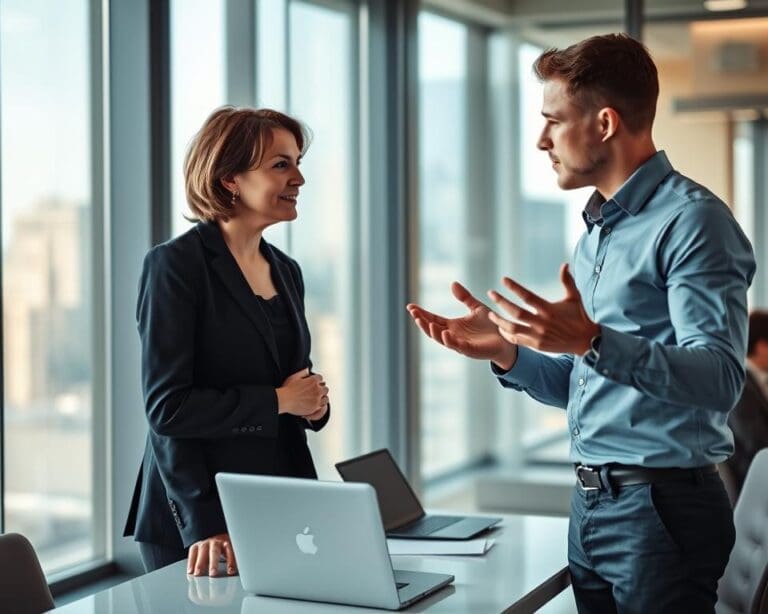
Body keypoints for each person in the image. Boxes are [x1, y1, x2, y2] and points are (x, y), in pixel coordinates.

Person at [407, 34, 755, 613]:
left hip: (660, 510)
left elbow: (720, 378)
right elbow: (588, 383)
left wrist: (590, 339)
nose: (541, 140)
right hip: (593, 505)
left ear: (605, 123)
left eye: (552, 121)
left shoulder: (693, 224)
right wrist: (509, 356)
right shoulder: (599, 230)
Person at [123, 107, 331, 577]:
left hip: (278, 503)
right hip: (200, 520)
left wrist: (313, 403)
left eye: (298, 163)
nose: (299, 178)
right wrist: (205, 524)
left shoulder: (286, 269)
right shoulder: (175, 266)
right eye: (281, 165)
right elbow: (168, 411)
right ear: (229, 179)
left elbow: (291, 380)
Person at [724, 310, 768, 499]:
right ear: (762, 347)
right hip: (752, 484)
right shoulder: (741, 385)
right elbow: (756, 443)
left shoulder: (756, 382)